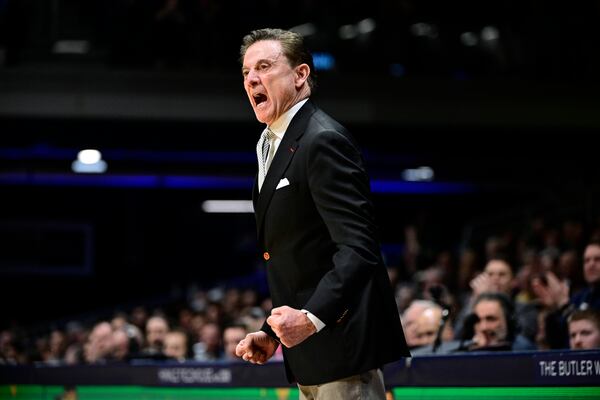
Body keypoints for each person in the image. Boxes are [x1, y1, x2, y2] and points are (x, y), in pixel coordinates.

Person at [235, 28, 409, 399]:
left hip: (343, 353)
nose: (251, 79)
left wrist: (310, 319)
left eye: (264, 66)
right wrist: (272, 332)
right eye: (247, 71)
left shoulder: (322, 139)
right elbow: (304, 254)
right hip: (310, 353)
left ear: (301, 75)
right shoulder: (271, 141)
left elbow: (358, 248)